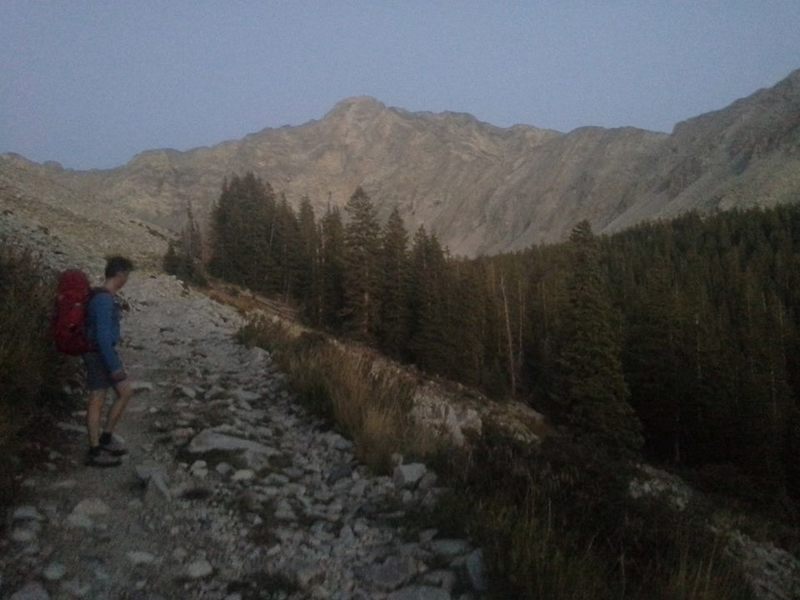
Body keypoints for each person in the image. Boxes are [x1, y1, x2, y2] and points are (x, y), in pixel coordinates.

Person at [83, 256, 135, 467]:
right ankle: (94, 450)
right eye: (127, 275)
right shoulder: (104, 300)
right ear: (120, 274)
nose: (127, 279)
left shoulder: (101, 297)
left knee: (122, 392)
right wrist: (114, 368)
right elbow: (103, 337)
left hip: (100, 353)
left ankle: (105, 439)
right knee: (98, 397)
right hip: (99, 354)